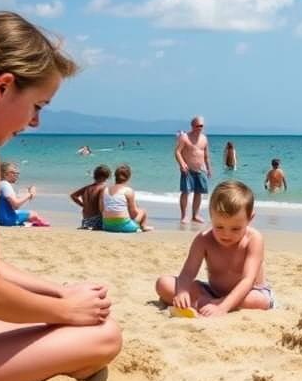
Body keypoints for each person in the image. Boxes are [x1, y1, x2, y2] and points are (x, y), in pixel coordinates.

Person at [0, 10, 121, 381]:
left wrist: (59, 293)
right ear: (3, 87)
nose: (34, 123)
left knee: (52, 318)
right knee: (103, 335)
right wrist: (66, 311)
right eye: (38, 106)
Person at [155, 181, 273, 315]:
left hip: (248, 292)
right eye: (219, 227)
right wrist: (182, 291)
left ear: (250, 218)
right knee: (163, 284)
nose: (226, 234)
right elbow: (188, 273)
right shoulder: (204, 240)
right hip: (213, 291)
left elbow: (248, 280)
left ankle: (208, 303)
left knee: (260, 301)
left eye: (235, 229)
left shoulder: (253, 239)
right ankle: (208, 302)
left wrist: (223, 306)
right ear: (211, 215)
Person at [174, 116, 211, 224]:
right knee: (186, 192)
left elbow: (206, 155)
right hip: (187, 169)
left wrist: (209, 168)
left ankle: (195, 215)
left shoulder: (204, 138)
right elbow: (177, 152)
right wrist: (182, 164)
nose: (199, 128)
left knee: (199, 193)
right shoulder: (184, 137)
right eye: (197, 126)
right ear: (192, 126)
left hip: (201, 170)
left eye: (201, 126)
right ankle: (184, 216)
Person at [0, 161, 50, 227]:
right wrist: (29, 194)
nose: (16, 175)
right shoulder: (5, 185)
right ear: (5, 174)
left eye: (17, 173)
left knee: (24, 213)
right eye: (13, 173)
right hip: (7, 220)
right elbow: (16, 205)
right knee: (34, 214)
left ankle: (28, 223)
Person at [102, 164, 151, 233]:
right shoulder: (128, 191)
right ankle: (143, 226)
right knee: (143, 211)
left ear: (115, 176)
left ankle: (136, 226)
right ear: (129, 177)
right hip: (124, 226)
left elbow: (103, 209)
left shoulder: (105, 190)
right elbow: (133, 212)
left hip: (107, 225)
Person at [70, 164, 111, 230]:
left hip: (85, 220)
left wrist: (83, 205)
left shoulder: (87, 188)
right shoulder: (103, 188)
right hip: (96, 220)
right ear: (105, 177)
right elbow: (102, 207)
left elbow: (73, 196)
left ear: (95, 176)